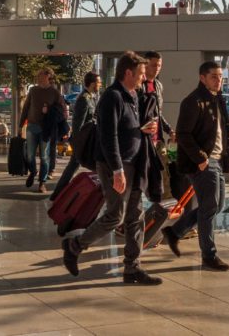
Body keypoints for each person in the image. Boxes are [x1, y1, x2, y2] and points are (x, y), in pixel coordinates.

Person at [61, 52, 163, 285]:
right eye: (139, 74)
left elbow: (130, 129)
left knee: (135, 217)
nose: (142, 77)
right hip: (114, 166)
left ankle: (132, 268)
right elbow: (109, 137)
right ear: (127, 73)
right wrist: (117, 170)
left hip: (135, 163)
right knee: (115, 216)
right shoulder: (112, 97)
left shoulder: (133, 95)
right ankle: (74, 246)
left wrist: (142, 129)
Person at [161, 61, 229, 271]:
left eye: (220, 76)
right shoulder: (193, 101)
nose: (218, 80)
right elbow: (183, 134)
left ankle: (175, 232)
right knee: (209, 208)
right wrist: (201, 158)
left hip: (217, 161)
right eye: (214, 76)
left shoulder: (217, 99)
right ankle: (209, 255)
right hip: (202, 162)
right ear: (202, 77)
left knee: (216, 206)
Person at [50, 72, 101, 201]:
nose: (100, 85)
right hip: (82, 141)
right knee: (75, 166)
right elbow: (78, 123)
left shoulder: (91, 97)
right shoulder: (83, 98)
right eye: (98, 82)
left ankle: (58, 194)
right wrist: (78, 143)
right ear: (92, 83)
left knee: (73, 166)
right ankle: (58, 194)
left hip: (87, 139)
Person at [19, 68, 66, 193]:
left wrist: (49, 110)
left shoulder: (54, 93)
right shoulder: (33, 90)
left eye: (41, 75)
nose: (39, 77)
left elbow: (62, 112)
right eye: (38, 75)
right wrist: (20, 124)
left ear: (48, 77)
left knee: (44, 156)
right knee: (29, 155)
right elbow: (26, 107)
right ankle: (33, 171)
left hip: (46, 129)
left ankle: (42, 183)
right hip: (32, 126)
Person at [141, 52, 180, 198]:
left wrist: (169, 130)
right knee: (141, 181)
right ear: (145, 65)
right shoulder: (139, 86)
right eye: (153, 65)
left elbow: (158, 113)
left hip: (158, 141)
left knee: (164, 177)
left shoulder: (158, 85)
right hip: (142, 143)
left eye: (159, 65)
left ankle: (164, 209)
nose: (157, 68)